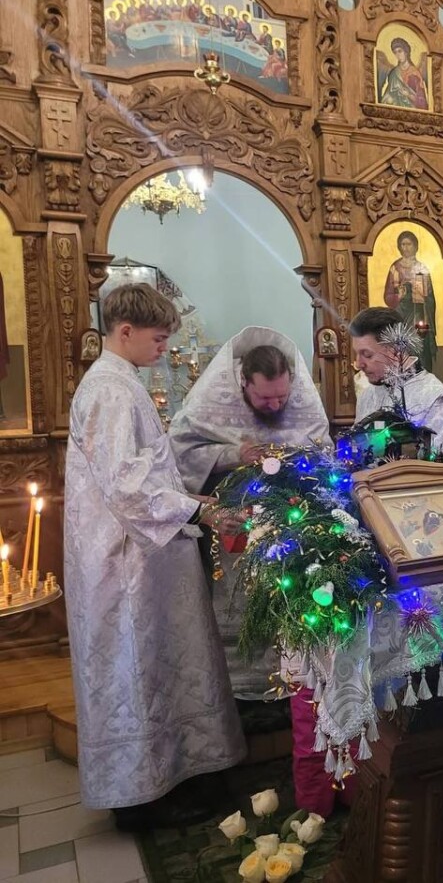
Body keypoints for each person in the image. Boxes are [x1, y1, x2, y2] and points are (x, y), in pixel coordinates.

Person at [65, 284, 246, 830]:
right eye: (159, 339)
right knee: (136, 671)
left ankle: (173, 776)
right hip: (125, 563)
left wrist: (194, 502)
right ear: (126, 332)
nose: (164, 349)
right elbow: (126, 485)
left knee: (162, 665)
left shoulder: (120, 382)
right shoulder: (111, 391)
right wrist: (199, 512)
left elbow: (148, 472)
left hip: (143, 555)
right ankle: (141, 800)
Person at [171, 328, 331, 699]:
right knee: (237, 601)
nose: (275, 405)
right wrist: (232, 455)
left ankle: (292, 682)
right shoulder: (211, 402)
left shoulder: (299, 402)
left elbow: (321, 450)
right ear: (244, 382)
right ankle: (238, 689)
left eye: (282, 397)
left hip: (290, 523)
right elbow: (179, 454)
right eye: (265, 397)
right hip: (231, 527)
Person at [350, 307, 443, 448]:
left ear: (395, 349)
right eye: (356, 354)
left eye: (367, 355)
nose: (359, 364)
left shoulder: (433, 399)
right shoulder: (366, 396)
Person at [383, 231, 437, 374]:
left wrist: (420, 293)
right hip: (401, 315)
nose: (406, 248)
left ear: (415, 246)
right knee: (402, 349)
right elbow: (388, 296)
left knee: (419, 349)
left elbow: (430, 298)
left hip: (418, 315)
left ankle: (421, 375)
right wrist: (398, 296)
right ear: (399, 247)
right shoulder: (395, 268)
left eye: (409, 244)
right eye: (403, 244)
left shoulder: (422, 269)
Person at [379, 37, 429, 110]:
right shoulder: (394, 73)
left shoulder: (415, 73)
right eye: (395, 52)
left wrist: (408, 95)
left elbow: (422, 102)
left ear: (406, 52)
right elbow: (387, 94)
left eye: (400, 51)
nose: (398, 55)